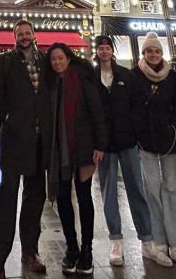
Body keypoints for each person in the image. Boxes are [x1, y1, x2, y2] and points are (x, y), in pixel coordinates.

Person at [0, 19, 52, 279]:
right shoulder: (5, 61)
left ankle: (30, 251)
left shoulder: (45, 60)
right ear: (14, 37)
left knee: (35, 197)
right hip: (15, 139)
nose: (25, 37)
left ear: (34, 35)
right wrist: (7, 119)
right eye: (20, 34)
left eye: (28, 33)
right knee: (7, 196)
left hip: (40, 141)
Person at [92, 35, 157, 266]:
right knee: (108, 193)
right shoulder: (91, 77)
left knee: (136, 189)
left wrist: (134, 132)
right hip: (104, 145)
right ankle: (115, 240)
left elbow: (138, 104)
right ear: (96, 51)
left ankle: (146, 238)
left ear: (112, 50)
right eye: (100, 48)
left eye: (107, 47)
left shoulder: (125, 75)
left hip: (127, 141)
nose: (104, 51)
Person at [44, 43, 107, 276]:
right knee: (62, 198)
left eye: (61, 58)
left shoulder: (82, 80)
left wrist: (100, 144)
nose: (57, 63)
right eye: (53, 60)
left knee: (83, 197)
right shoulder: (49, 83)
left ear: (68, 59)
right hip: (58, 150)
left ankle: (87, 248)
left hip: (82, 147)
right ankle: (71, 246)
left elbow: (96, 111)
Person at [129, 32, 176, 267]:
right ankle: (158, 240)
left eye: (156, 51)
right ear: (143, 53)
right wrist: (138, 131)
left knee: (173, 187)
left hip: (168, 138)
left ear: (161, 53)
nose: (153, 55)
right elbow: (132, 106)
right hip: (146, 139)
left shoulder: (172, 77)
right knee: (151, 189)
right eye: (149, 51)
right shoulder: (135, 76)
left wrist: (173, 125)